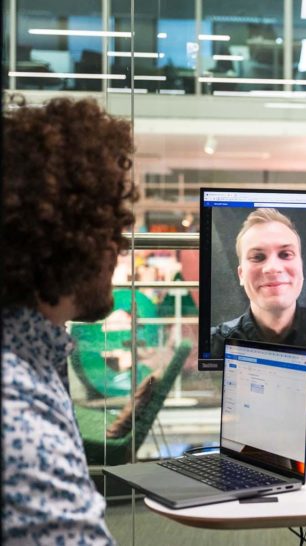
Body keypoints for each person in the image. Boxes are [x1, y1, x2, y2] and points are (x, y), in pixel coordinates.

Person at [2, 96, 138, 544]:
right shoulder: (19, 423)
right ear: (58, 238)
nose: (117, 248)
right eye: (107, 228)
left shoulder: (35, 361)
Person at [210, 208, 306, 359]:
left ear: (301, 268)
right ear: (241, 275)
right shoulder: (215, 344)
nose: (273, 268)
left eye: (285, 254)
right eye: (258, 257)